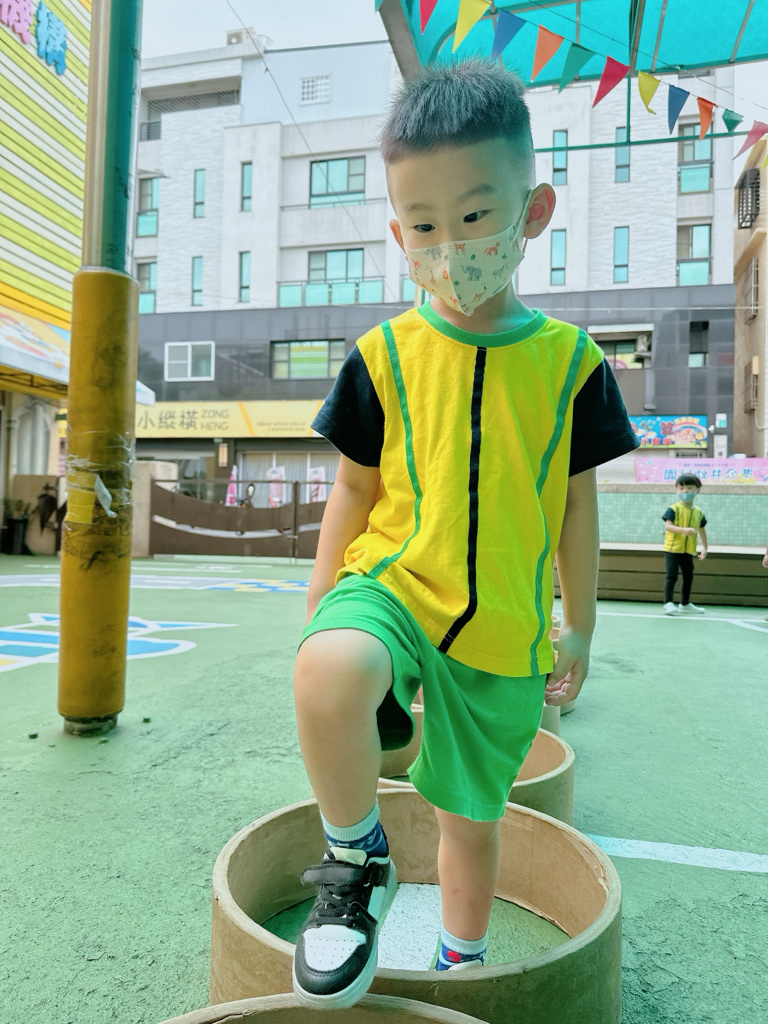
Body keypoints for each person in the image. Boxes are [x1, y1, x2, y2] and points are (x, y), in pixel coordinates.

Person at [291, 59, 639, 1010]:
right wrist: (323, 605)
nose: (450, 246)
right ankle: (355, 860)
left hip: (502, 634)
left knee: (470, 823)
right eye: (424, 226)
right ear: (398, 233)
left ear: (534, 211)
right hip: (395, 587)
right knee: (329, 668)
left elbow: (576, 506)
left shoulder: (573, 366)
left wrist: (580, 623)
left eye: (476, 215)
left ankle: (461, 961)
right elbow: (353, 488)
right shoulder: (383, 357)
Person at [661, 474, 708, 615]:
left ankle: (685, 603)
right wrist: (683, 530)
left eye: (689, 488)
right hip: (672, 549)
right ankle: (668, 603)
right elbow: (668, 526)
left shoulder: (698, 512)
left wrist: (705, 548)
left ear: (697, 490)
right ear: (677, 489)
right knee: (672, 575)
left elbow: (702, 530)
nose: (685, 491)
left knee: (688, 576)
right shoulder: (673, 509)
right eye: (681, 488)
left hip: (688, 550)